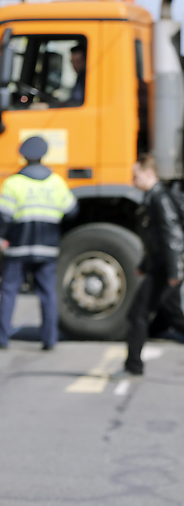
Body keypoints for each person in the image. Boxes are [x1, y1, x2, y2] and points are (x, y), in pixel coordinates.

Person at [115, 154, 184, 380]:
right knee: (176, 318)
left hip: (165, 269)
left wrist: (174, 271)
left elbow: (171, 236)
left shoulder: (160, 200)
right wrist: (144, 264)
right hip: (164, 266)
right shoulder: (154, 198)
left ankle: (133, 366)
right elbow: (156, 239)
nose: (132, 180)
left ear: (150, 174)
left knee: (137, 315)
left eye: (135, 175)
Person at [0, 137, 78, 350]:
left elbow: (4, 216)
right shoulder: (56, 182)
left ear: (23, 156)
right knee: (47, 294)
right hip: (47, 247)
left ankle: (2, 338)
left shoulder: (13, 183)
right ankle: (49, 339)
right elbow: (72, 210)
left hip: (18, 248)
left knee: (8, 291)